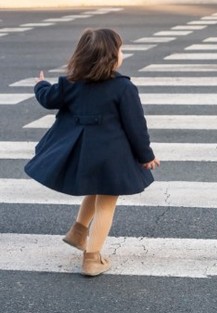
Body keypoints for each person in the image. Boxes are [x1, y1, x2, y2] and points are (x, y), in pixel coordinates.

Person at [25, 28, 160, 277]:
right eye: (121, 49)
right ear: (112, 57)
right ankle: (92, 258)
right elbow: (136, 126)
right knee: (107, 203)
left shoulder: (71, 83)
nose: (123, 53)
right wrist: (146, 156)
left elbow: (48, 98)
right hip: (112, 155)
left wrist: (40, 85)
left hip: (83, 152)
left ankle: (78, 232)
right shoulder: (123, 88)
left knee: (95, 190)